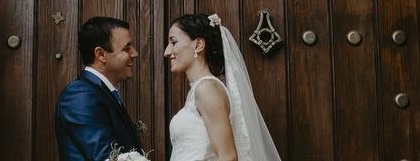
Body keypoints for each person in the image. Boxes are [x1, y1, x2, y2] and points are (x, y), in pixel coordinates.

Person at [164, 13, 281, 161]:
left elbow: (228, 157)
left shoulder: (207, 89)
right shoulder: (199, 90)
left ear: (198, 44)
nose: (167, 52)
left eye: (173, 42)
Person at [56, 16, 144, 160]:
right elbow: (106, 157)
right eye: (127, 48)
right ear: (101, 54)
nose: (135, 53)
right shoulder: (80, 96)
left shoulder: (102, 93)